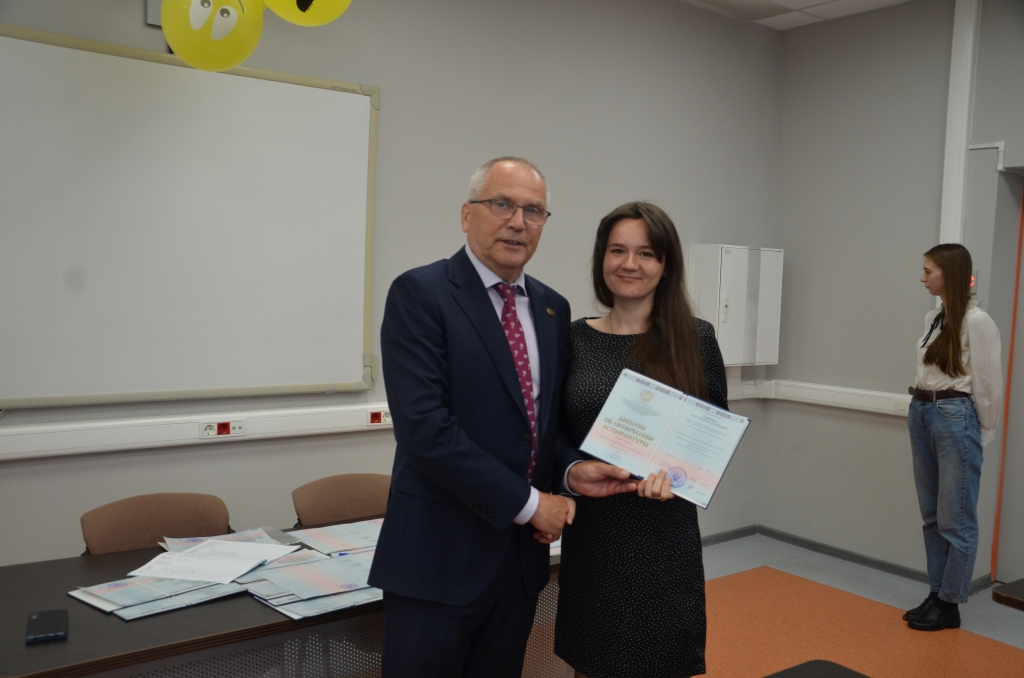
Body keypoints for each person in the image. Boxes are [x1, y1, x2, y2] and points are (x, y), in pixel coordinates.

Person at [368, 157, 637, 678]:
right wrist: (533, 504)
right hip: (438, 560)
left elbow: (540, 428)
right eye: (502, 205)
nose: (517, 222)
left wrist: (571, 471)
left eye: (533, 211)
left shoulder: (553, 309)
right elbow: (426, 432)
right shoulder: (421, 294)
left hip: (517, 566)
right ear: (467, 214)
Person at [554, 202, 728, 678]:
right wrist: (573, 470)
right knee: (592, 660)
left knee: (661, 660)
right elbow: (552, 435)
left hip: (663, 535)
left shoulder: (695, 339)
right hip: (593, 532)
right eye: (618, 251)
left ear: (666, 264)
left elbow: (712, 435)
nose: (630, 264)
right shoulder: (572, 339)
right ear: (601, 259)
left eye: (646, 253)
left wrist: (678, 476)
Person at [903, 243, 1002, 631]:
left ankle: (949, 603)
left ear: (950, 273)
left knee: (955, 518)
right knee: (932, 516)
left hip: (954, 416)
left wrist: (983, 432)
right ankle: (936, 593)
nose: (922, 278)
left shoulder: (977, 321)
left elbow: (988, 384)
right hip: (922, 411)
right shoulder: (935, 316)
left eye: (929, 271)